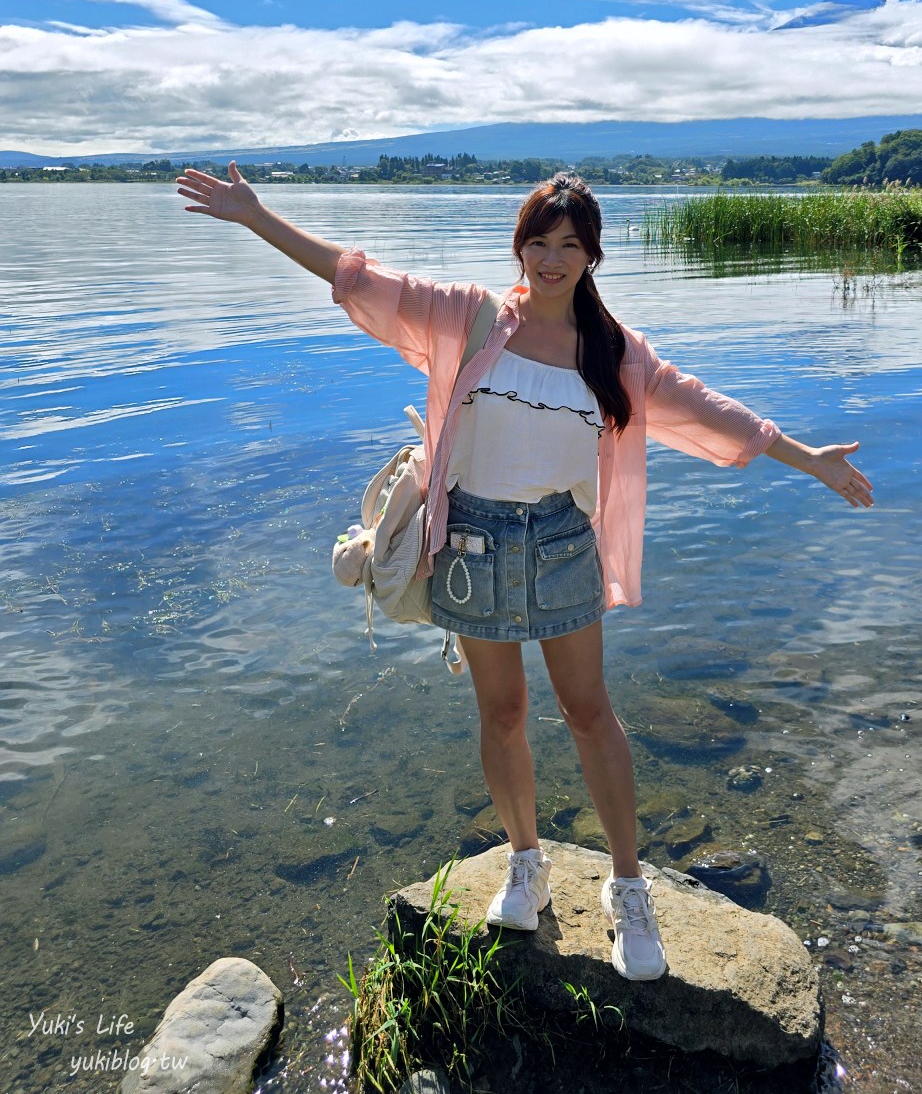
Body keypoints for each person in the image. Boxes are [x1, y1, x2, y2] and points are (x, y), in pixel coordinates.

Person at [177, 162, 873, 982]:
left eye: (568, 246)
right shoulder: (470, 319)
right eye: (538, 243)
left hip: (560, 545)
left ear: (591, 257)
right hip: (470, 542)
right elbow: (357, 276)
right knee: (501, 713)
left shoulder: (615, 355)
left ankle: (627, 886)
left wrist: (806, 457)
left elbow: (710, 407)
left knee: (589, 713)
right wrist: (259, 217)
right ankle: (526, 861)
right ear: (520, 247)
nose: (550, 260)